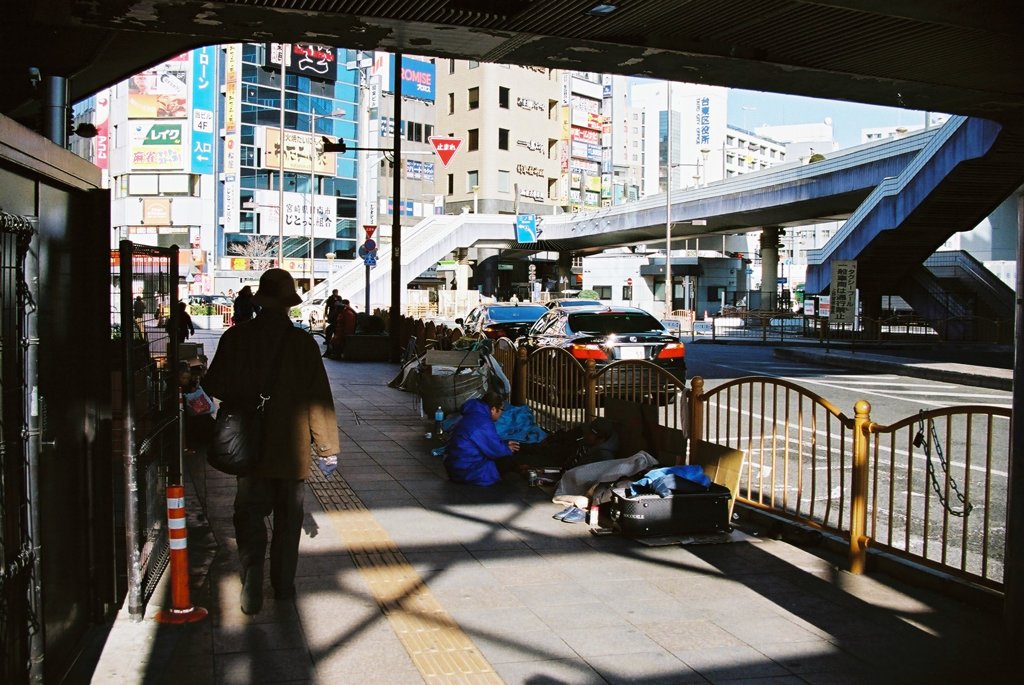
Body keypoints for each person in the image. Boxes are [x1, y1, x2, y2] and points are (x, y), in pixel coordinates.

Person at [202, 268, 340, 615]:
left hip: (248, 447)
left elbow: (215, 385)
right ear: (288, 304)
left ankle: (251, 574)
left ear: (260, 301)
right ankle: (283, 585)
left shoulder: (235, 339)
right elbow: (318, 398)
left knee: (248, 513)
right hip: (290, 453)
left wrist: (244, 395)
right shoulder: (302, 344)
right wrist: (326, 448)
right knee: (288, 519)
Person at [443, 391, 520, 486]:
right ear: (493, 409)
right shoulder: (483, 422)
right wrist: (507, 449)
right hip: (467, 471)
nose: (501, 414)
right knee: (507, 460)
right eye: (501, 410)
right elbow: (495, 450)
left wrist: (505, 444)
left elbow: (486, 443)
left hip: (455, 466)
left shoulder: (472, 415)